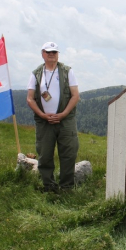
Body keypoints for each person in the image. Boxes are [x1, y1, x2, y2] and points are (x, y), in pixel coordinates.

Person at [27, 42, 80, 192]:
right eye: (48, 52)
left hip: (66, 120)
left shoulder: (67, 71)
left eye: (54, 52)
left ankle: (66, 187)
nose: (52, 55)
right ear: (43, 54)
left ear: (58, 54)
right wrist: (43, 115)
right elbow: (30, 98)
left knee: (69, 154)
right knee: (44, 155)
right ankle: (48, 186)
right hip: (44, 122)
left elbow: (75, 96)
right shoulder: (36, 73)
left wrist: (63, 114)